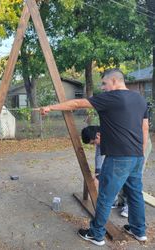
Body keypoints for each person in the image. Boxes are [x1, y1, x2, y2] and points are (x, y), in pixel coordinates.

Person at [40, 68, 149, 246]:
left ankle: (96, 234)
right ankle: (139, 231)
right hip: (137, 156)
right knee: (135, 194)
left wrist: (50, 107)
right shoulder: (140, 99)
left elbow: (76, 104)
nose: (103, 88)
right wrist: (140, 153)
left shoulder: (112, 97)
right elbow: (144, 128)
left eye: (104, 84)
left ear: (114, 81)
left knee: (105, 196)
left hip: (119, 157)